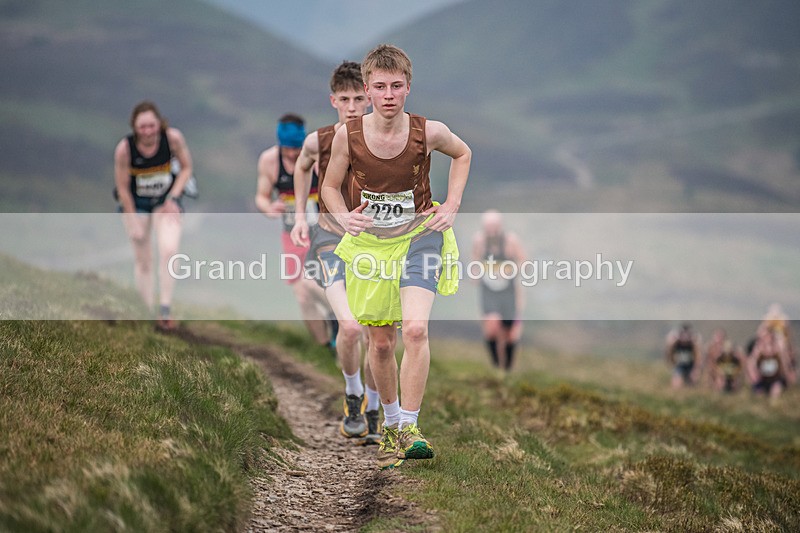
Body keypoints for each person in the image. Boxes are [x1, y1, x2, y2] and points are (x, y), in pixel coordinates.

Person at [322, 44, 471, 469]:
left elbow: (463, 154)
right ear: (367, 90)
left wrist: (453, 204)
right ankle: (388, 423)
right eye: (381, 87)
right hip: (370, 246)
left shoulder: (430, 131)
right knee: (382, 341)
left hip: (419, 236)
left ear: (408, 89)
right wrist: (344, 218)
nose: (389, 95)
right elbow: (331, 187)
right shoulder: (347, 138)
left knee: (417, 331)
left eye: (397, 87)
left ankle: (410, 426)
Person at [290, 61, 381, 444]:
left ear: (370, 96)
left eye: (359, 98)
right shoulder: (319, 140)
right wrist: (300, 215)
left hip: (376, 245)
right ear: (333, 100)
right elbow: (302, 166)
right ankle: (353, 392)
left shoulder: (383, 136)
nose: (352, 106)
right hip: (329, 240)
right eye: (344, 99)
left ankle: (375, 407)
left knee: (379, 334)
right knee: (349, 326)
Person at [255, 114, 334, 347]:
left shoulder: (316, 157)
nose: (292, 154)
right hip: (292, 236)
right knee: (301, 294)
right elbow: (261, 196)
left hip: (321, 232)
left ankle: (340, 316)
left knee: (318, 285)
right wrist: (270, 208)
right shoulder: (269, 161)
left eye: (296, 148)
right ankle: (326, 347)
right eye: (288, 148)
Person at [113, 101, 192, 331]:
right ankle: (146, 310)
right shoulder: (125, 149)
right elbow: (122, 187)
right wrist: (132, 219)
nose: (148, 131)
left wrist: (174, 197)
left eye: (152, 125)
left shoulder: (173, 139)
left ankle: (165, 308)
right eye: (142, 127)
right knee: (144, 259)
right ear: (135, 127)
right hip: (136, 204)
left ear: (159, 124)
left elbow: (186, 168)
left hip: (164, 202)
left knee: (169, 250)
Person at [471, 210, 525, 371]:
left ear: (500, 226)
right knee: (492, 327)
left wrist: (508, 270)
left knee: (510, 333)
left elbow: (523, 261)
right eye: (488, 226)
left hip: (508, 291)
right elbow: (474, 261)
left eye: (494, 226)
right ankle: (496, 366)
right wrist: (476, 275)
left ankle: (507, 367)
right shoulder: (480, 241)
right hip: (488, 291)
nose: (491, 229)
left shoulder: (510, 240)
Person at [748, 329, 796, 399]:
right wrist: (754, 377)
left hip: (776, 379)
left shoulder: (778, 349)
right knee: (759, 396)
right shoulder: (758, 350)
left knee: (776, 392)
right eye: (762, 337)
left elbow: (785, 363)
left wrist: (788, 375)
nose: (765, 339)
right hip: (762, 379)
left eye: (766, 336)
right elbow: (751, 364)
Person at [665, 323, 701, 388]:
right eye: (683, 335)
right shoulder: (675, 343)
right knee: (676, 383)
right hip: (679, 365)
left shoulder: (693, 344)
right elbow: (669, 354)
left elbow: (698, 357)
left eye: (687, 335)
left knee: (692, 381)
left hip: (690, 366)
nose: (685, 338)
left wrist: (695, 370)